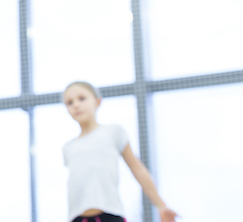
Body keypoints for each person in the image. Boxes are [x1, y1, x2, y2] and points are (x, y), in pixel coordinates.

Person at [62, 81, 177, 222]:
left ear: (98, 102)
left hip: (110, 215)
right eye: (69, 102)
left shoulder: (113, 132)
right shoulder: (68, 147)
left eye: (82, 98)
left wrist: (161, 205)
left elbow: (138, 169)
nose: (76, 105)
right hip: (77, 218)